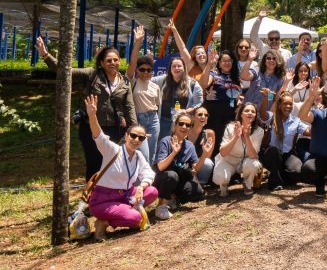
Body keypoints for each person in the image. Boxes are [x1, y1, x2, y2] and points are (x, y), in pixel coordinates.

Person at [36, 37, 136, 180]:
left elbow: (129, 106)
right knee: (94, 164)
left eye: (115, 59)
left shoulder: (124, 81)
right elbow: (65, 71)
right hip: (91, 129)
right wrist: (45, 54)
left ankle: (106, 196)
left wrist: (134, 129)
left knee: (111, 163)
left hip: (114, 129)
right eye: (109, 60)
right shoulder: (92, 74)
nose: (113, 63)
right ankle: (91, 196)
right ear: (101, 63)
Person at [84, 95, 156, 241]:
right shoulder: (113, 150)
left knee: (152, 191)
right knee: (135, 218)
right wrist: (92, 115)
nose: (136, 140)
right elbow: (99, 135)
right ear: (126, 135)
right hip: (103, 200)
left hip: (125, 195)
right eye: (134, 136)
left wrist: (141, 187)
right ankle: (103, 222)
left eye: (141, 138)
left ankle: (125, 209)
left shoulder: (138, 156)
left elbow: (149, 173)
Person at [152, 112, 204, 220]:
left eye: (188, 125)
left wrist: (205, 155)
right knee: (171, 175)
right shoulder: (165, 141)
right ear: (175, 125)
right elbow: (161, 167)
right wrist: (174, 153)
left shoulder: (189, 145)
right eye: (181, 124)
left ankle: (173, 197)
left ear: (190, 128)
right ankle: (161, 206)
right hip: (162, 179)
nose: (184, 127)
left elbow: (196, 168)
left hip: (178, 181)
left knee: (197, 191)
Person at [259, 91, 311, 191]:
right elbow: (262, 113)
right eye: (285, 103)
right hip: (271, 154)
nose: (288, 106)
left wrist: (319, 123)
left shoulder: (296, 121)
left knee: (297, 171)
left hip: (287, 154)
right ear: (279, 105)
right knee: (274, 151)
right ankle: (274, 183)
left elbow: (308, 132)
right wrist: (266, 97)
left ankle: (278, 174)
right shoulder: (271, 117)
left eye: (290, 104)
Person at [212, 102, 265, 197]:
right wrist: (236, 136)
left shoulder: (259, 131)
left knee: (254, 164)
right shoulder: (230, 127)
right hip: (228, 160)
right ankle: (224, 184)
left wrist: (247, 137)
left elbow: (253, 155)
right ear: (241, 114)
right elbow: (223, 153)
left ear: (255, 115)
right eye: (247, 110)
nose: (250, 113)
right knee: (219, 177)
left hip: (246, 161)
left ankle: (247, 183)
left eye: (253, 111)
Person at [126, 26, 161, 164]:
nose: (146, 72)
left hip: (153, 119)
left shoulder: (155, 86)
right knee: (143, 154)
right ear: (137, 70)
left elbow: (157, 105)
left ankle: (148, 182)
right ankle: (138, 182)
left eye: (149, 70)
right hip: (138, 119)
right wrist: (138, 43)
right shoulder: (132, 82)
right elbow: (133, 62)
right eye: (142, 69)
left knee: (152, 155)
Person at [152, 56, 203, 147]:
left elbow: (198, 103)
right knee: (163, 147)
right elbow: (146, 80)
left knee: (179, 147)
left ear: (184, 67)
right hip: (164, 122)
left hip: (182, 124)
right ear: (170, 68)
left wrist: (186, 111)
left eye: (179, 66)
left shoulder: (193, 84)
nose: (176, 68)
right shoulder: (162, 80)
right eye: (174, 66)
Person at [202, 50, 243, 149]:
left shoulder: (237, 78)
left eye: (229, 61)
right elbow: (204, 84)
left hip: (230, 113)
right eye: (223, 61)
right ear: (219, 64)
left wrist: (239, 100)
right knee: (213, 140)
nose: (227, 63)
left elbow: (237, 94)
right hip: (214, 112)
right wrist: (209, 65)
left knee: (226, 141)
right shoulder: (214, 74)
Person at [244, 50, 286, 114]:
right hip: (249, 111)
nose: (271, 60)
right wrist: (249, 60)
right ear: (264, 60)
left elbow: (277, 99)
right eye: (268, 58)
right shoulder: (257, 70)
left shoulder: (280, 78)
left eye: (274, 58)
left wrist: (270, 114)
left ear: (278, 61)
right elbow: (243, 76)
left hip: (265, 113)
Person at [187, 107, 215, 185]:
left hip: (200, 164)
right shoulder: (185, 131)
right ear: (193, 117)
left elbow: (208, 156)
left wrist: (196, 165)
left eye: (206, 115)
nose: (203, 117)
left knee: (208, 163)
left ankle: (201, 183)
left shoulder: (209, 133)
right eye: (200, 114)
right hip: (186, 165)